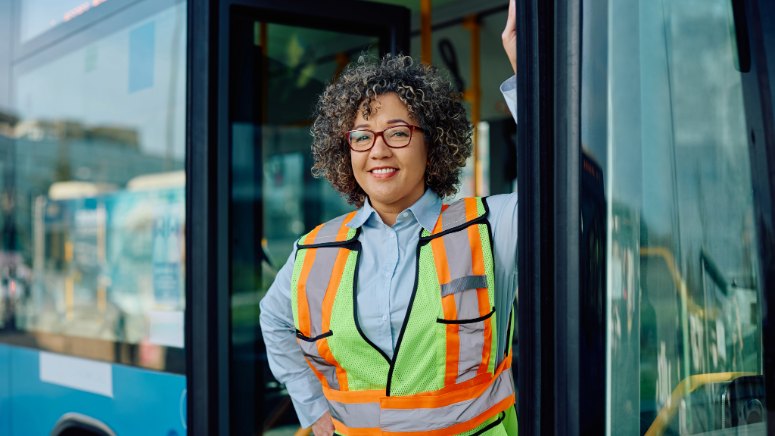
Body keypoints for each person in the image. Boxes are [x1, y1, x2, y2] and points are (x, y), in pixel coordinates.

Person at [260, 3, 518, 435]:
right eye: (361, 136)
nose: (378, 150)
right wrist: (315, 413)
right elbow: (274, 320)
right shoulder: (313, 252)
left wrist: (529, 73)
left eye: (398, 133)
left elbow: (565, 188)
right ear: (345, 151)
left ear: (431, 143)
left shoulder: (491, 227)